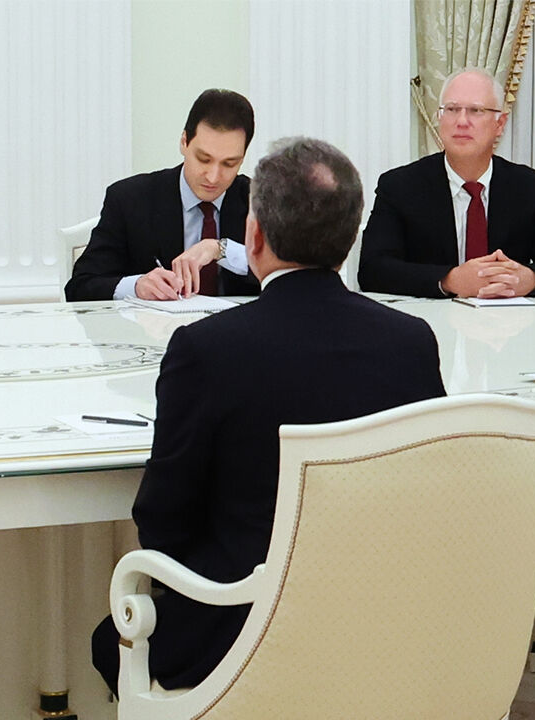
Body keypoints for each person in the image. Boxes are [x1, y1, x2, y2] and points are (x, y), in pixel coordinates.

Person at [90, 137, 447, 692]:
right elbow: (426, 494)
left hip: (239, 636)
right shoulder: (411, 341)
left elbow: (163, 524)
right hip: (381, 622)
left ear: (253, 237)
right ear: (350, 239)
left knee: (109, 638)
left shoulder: (207, 350)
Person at [358, 67, 535, 298]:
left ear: (500, 124)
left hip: (509, 317)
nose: (462, 121)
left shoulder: (529, 186)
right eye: (452, 109)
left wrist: (530, 279)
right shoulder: (399, 186)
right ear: (439, 117)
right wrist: (449, 280)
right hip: (429, 318)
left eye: (476, 110)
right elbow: (373, 269)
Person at [65, 89, 260, 302]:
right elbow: (80, 286)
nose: (213, 177)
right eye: (204, 159)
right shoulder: (130, 199)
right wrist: (136, 286)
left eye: (229, 164)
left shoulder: (260, 201)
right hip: (152, 324)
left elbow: (286, 274)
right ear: (184, 142)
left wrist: (221, 250)